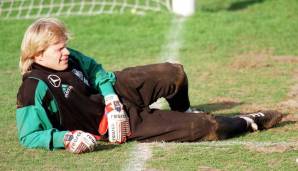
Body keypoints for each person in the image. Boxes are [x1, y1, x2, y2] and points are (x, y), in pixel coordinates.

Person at [16, 17, 283, 154]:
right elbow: (29, 136)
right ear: (39, 54)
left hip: (117, 92)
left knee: (174, 73)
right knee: (204, 127)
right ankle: (250, 122)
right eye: (59, 48)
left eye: (64, 46)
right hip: (113, 125)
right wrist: (67, 138)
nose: (66, 52)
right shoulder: (33, 87)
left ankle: (184, 109)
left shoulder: (68, 57)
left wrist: (110, 96)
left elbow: (96, 70)